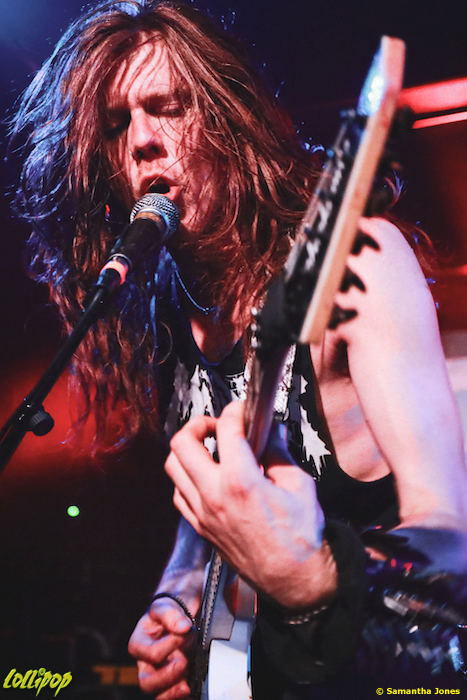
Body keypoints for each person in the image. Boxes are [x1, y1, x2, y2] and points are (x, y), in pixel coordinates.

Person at [9, 0, 467, 697]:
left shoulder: (358, 262)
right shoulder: (161, 303)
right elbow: (206, 514)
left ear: (225, 121)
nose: (142, 140)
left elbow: (451, 537)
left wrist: (315, 576)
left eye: (167, 107)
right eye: (116, 124)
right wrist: (176, 596)